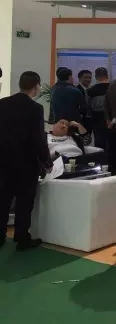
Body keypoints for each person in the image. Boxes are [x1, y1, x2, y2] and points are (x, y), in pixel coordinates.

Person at [0, 72, 52, 251]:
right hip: (26, 163)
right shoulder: (35, 108)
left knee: (3, 199)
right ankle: (22, 237)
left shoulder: (2, 104)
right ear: (36, 86)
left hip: (3, 160)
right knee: (24, 202)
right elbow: (38, 138)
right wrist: (46, 160)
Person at [87, 67, 110, 150]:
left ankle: (100, 155)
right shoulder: (112, 88)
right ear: (107, 76)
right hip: (110, 118)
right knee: (111, 140)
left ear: (96, 77)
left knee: (99, 140)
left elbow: (88, 107)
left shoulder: (91, 90)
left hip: (96, 118)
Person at [76, 69, 93, 143]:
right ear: (80, 78)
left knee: (88, 140)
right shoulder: (76, 90)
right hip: (81, 119)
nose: (88, 79)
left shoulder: (91, 90)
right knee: (80, 141)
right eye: (85, 77)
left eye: (90, 77)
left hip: (90, 119)